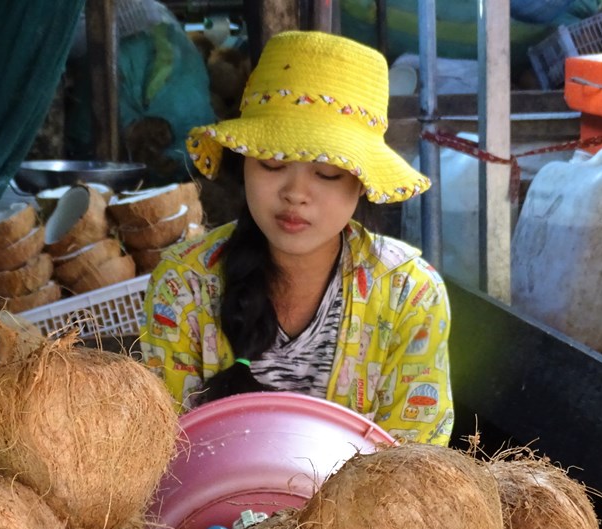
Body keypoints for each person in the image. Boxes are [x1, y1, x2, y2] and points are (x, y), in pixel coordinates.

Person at [139, 31, 454, 446]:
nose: (295, 194)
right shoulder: (182, 287)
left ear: (361, 184)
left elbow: (415, 470)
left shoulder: (408, 295)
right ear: (244, 163)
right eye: (271, 163)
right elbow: (161, 457)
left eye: (326, 173)